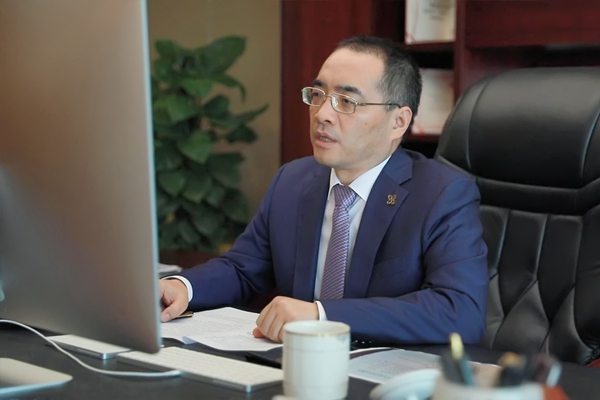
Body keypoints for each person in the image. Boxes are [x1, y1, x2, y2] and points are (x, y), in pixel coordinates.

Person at [159, 36, 489, 345]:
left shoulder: (441, 194)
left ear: (398, 122)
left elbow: (460, 311)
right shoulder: (293, 180)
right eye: (317, 95)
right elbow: (243, 268)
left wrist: (321, 315)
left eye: (346, 101)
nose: (323, 114)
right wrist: (183, 287)